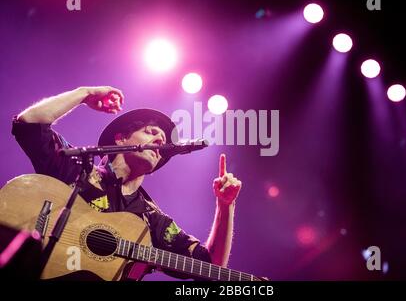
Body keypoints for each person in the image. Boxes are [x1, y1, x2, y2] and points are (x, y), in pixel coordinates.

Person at [11, 85, 242, 280]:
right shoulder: (78, 168)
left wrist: (225, 206)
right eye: (151, 132)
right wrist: (85, 93)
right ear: (121, 138)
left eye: (162, 142)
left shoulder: (151, 219)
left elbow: (211, 264)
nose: (160, 140)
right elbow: (28, 123)